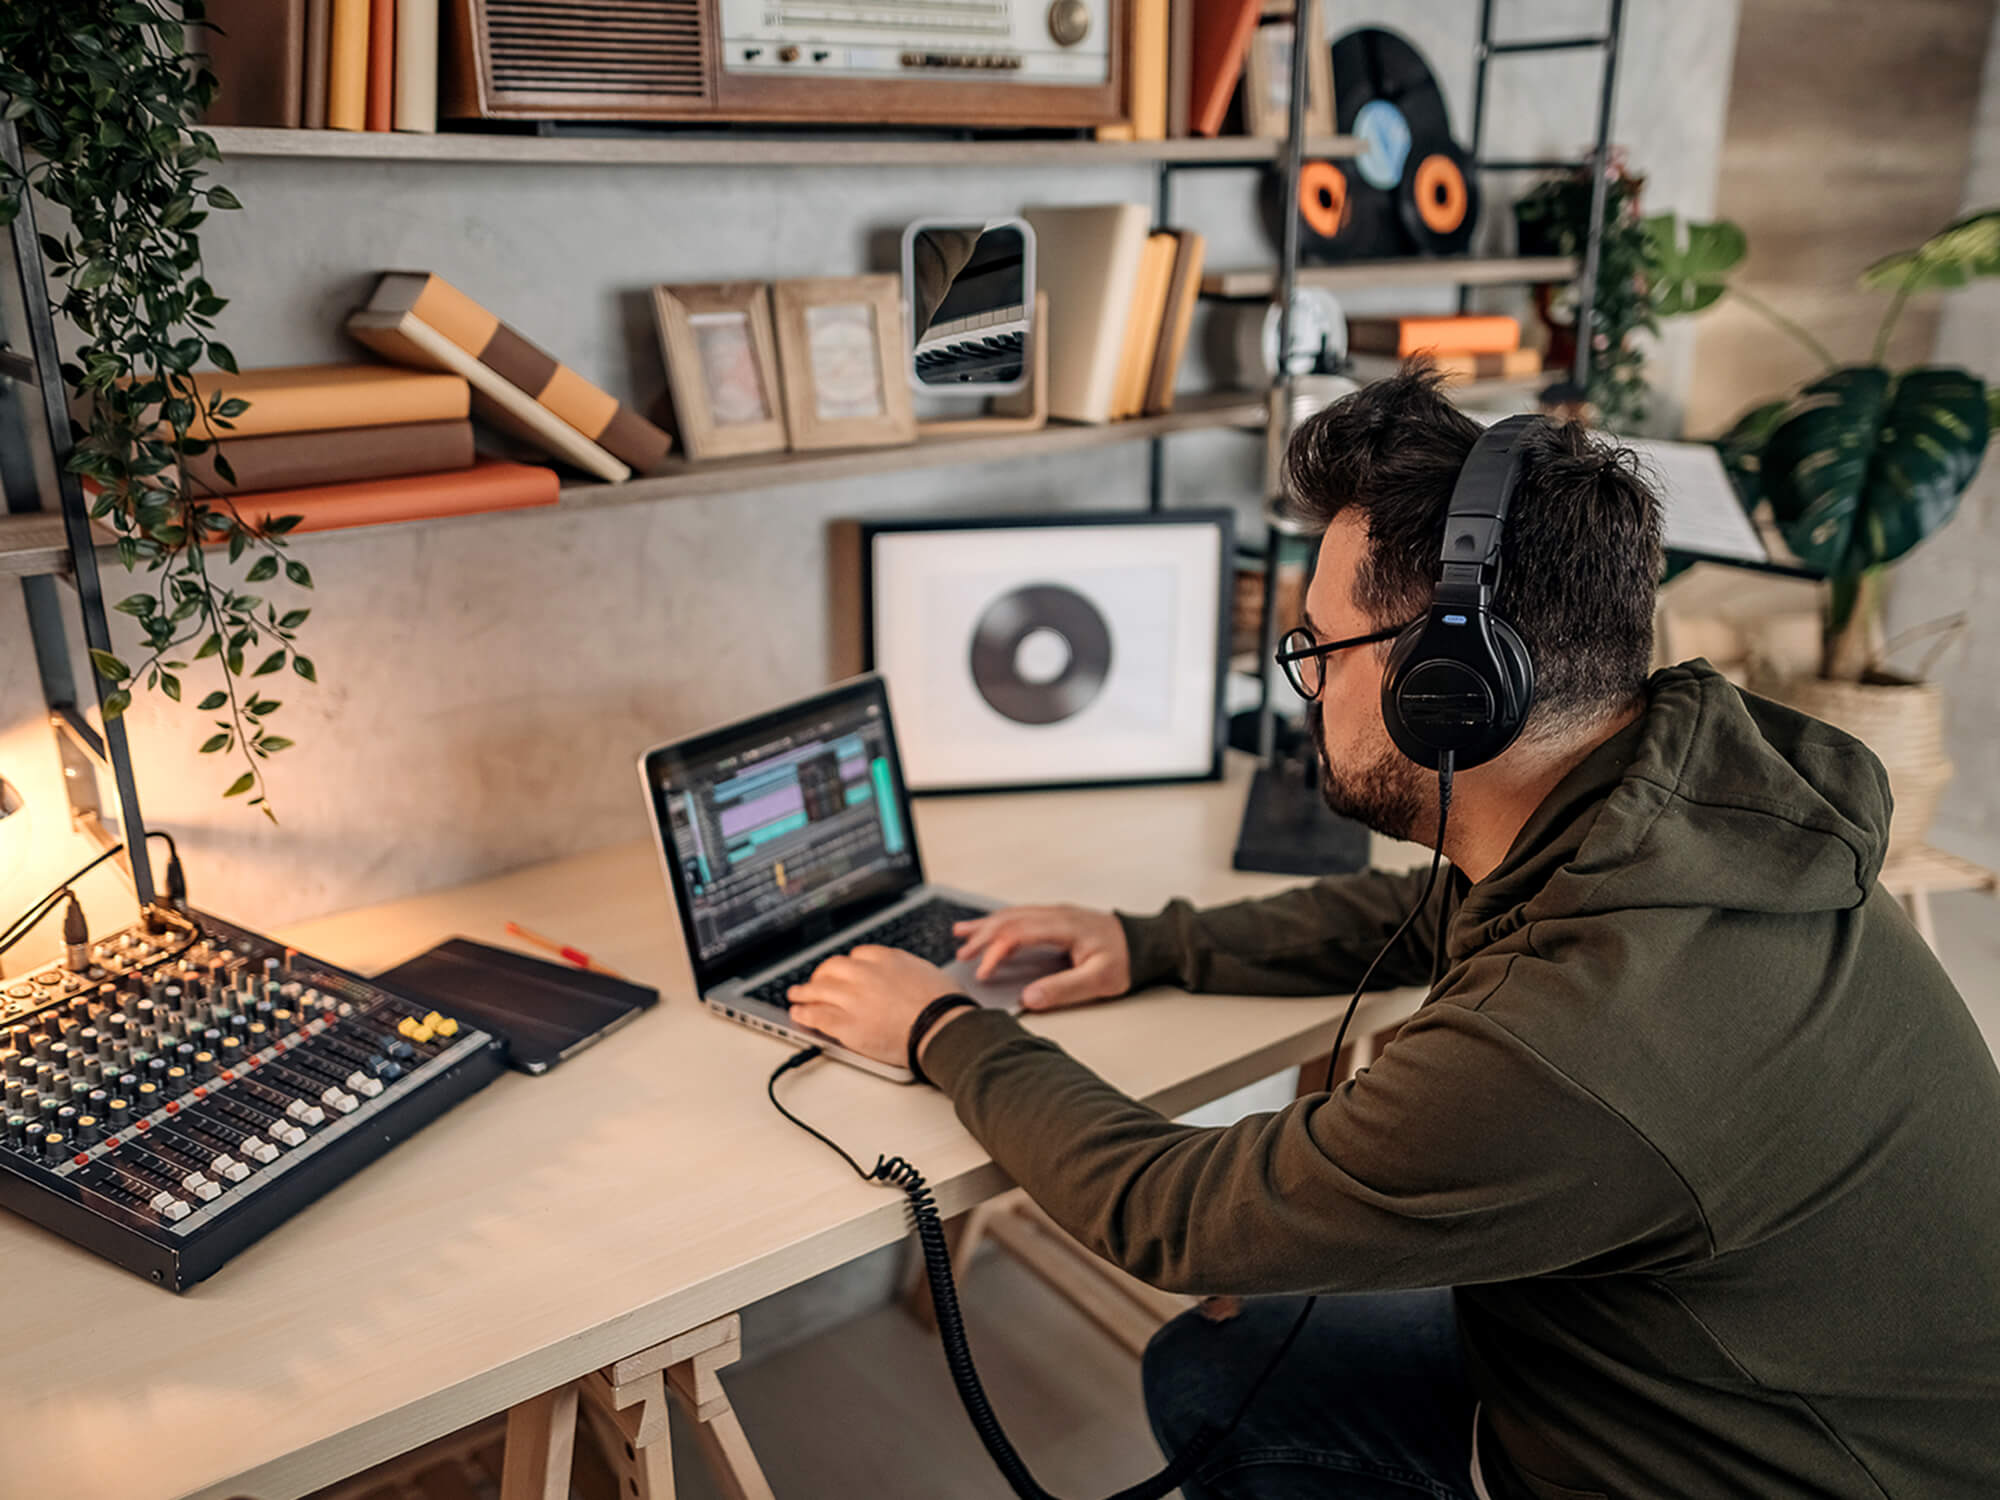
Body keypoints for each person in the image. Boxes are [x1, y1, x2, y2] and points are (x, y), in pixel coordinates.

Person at [786, 368, 2000, 1499]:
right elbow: (1426, 908)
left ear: (1454, 684)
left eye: (1318, 648)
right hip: (1789, 1392)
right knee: (1238, 1349)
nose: (1303, 679)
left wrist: (941, 1025)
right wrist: (1146, 939)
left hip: (1771, 1469)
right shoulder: (1693, 805)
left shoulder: (1568, 1048)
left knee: (1211, 1369)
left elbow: (1176, 1211)